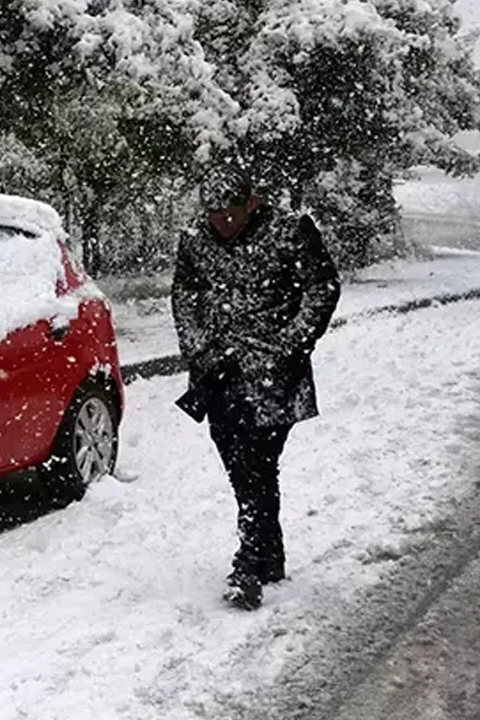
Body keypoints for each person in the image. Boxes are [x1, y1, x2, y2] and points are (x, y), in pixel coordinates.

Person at [171, 168, 341, 611]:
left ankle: (248, 561)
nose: (221, 223)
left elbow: (322, 287)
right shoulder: (195, 239)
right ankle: (271, 553)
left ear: (252, 202)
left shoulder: (290, 231)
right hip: (218, 370)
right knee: (236, 457)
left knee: (258, 460)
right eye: (213, 215)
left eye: (229, 214)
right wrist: (196, 346)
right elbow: (184, 293)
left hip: (273, 373)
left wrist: (292, 344)